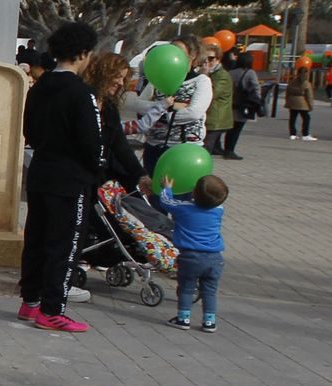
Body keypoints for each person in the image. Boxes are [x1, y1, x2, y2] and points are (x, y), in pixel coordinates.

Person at [18, 21, 102, 334]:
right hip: (70, 178)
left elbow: (29, 130)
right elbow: (92, 141)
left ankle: (30, 300)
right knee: (64, 245)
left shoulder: (39, 88)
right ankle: (52, 309)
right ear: (83, 53)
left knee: (36, 239)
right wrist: (97, 170)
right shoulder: (81, 93)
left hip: (41, 170)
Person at [79, 52, 154, 198]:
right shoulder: (82, 99)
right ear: (104, 74)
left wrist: (141, 175)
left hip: (100, 175)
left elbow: (120, 145)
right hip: (78, 174)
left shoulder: (109, 107)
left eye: (124, 79)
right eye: (118, 77)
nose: (120, 83)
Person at [160, 173, 228, 332]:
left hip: (190, 257)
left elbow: (165, 201)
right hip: (215, 258)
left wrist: (167, 188)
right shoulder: (218, 210)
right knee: (209, 292)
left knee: (186, 288)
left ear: (194, 193)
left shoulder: (183, 208)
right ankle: (209, 321)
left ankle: (183, 319)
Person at [141, 37, 211, 180]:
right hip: (155, 145)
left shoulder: (201, 81)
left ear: (193, 55)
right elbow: (138, 105)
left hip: (185, 148)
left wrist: (161, 113)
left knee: (180, 190)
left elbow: (194, 112)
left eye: (178, 51)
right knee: (153, 188)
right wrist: (168, 106)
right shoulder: (157, 79)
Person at [221, 49, 261, 159]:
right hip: (243, 104)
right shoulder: (250, 73)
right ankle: (230, 150)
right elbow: (256, 88)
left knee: (230, 129)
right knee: (237, 129)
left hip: (230, 103)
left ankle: (226, 149)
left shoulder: (231, 72)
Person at [202, 44, 234, 157]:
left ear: (218, 59)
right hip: (207, 118)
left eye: (211, 58)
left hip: (215, 119)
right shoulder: (210, 73)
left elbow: (211, 94)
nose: (207, 61)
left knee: (205, 150)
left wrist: (204, 76)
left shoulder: (222, 75)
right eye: (204, 58)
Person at [284, 61, 316, 140]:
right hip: (302, 103)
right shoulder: (306, 83)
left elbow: (287, 92)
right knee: (306, 118)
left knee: (292, 118)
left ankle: (292, 134)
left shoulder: (292, 82)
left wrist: (287, 100)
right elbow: (309, 96)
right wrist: (311, 105)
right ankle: (305, 134)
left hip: (292, 102)